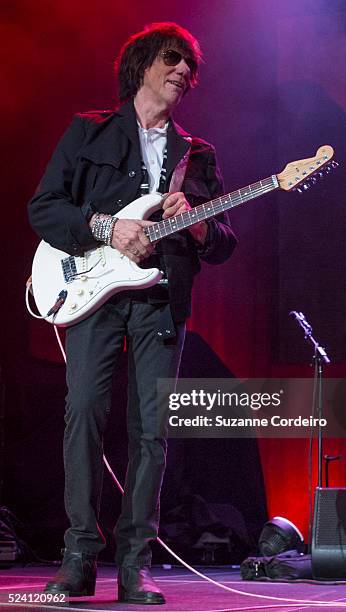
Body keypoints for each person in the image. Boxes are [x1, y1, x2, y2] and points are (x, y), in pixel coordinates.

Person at [28, 22, 237, 605]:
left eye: (191, 68)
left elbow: (224, 242)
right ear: (144, 62)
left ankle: (134, 566)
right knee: (85, 415)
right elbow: (43, 208)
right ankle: (77, 559)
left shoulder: (198, 154)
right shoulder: (88, 130)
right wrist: (104, 228)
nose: (184, 73)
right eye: (174, 59)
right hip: (93, 296)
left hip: (160, 299)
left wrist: (197, 225)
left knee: (152, 432)